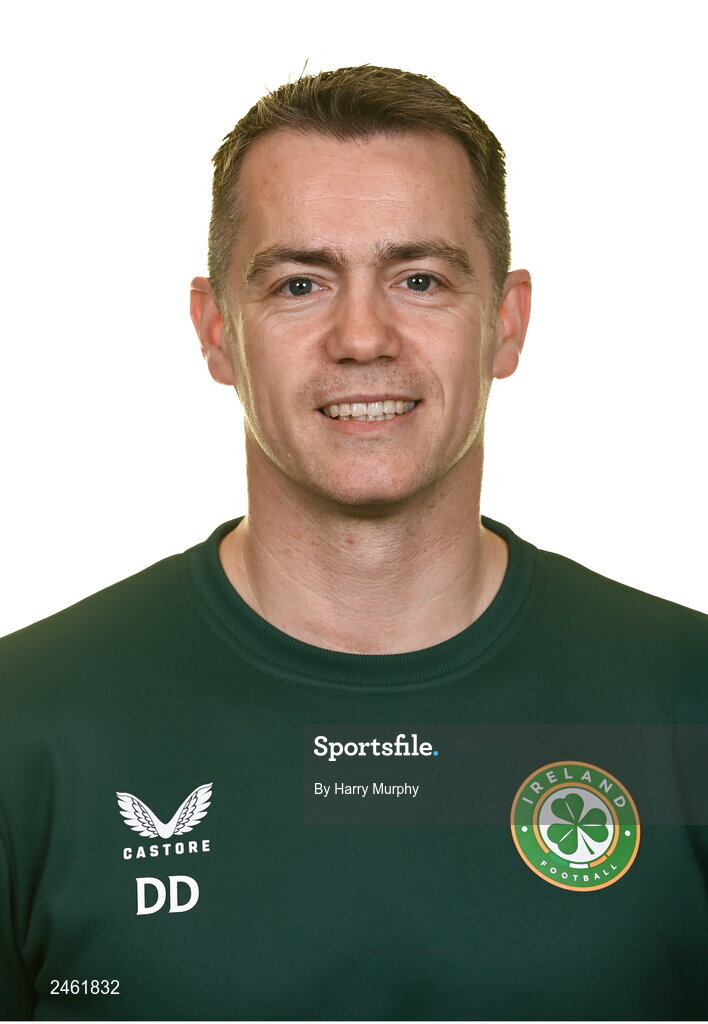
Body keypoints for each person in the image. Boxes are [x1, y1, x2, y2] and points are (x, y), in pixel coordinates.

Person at [0, 64, 706, 1023]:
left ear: (507, 320)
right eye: (300, 283)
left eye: (419, 279)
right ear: (217, 333)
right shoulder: (29, 722)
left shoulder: (683, 699)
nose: (363, 337)